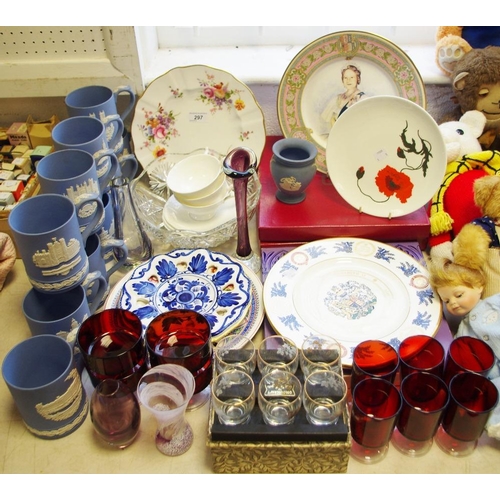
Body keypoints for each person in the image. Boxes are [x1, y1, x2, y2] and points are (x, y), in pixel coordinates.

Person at [429, 257, 500, 438]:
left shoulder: (494, 303)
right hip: (489, 376)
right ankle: (494, 423)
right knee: (489, 393)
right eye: (446, 300)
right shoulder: (463, 328)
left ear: (478, 286)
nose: (452, 303)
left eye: (458, 295)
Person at [320, 64, 366, 130]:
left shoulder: (362, 98)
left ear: (357, 79)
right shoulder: (337, 99)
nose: (348, 80)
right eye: (345, 78)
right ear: (342, 80)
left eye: (352, 77)